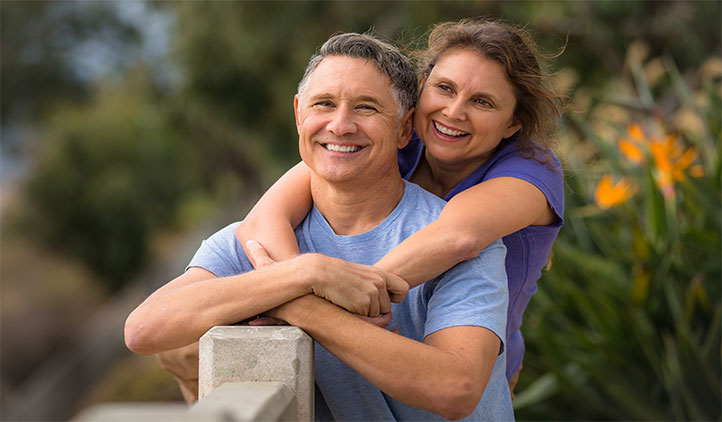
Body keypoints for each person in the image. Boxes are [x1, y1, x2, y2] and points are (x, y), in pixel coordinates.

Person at [126, 32, 514, 420]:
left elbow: (455, 388)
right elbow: (145, 330)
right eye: (324, 104)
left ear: (404, 128)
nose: (340, 125)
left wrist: (298, 305)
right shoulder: (258, 240)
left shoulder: (452, 240)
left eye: (366, 108)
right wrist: (306, 272)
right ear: (299, 114)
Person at [237, 18, 565, 396]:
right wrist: (297, 289)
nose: (454, 112)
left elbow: (456, 237)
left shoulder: (531, 173)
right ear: (421, 87)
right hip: (359, 345)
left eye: (482, 102)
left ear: (513, 123)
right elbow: (263, 219)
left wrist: (308, 304)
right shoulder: (390, 140)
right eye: (445, 88)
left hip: (461, 373)